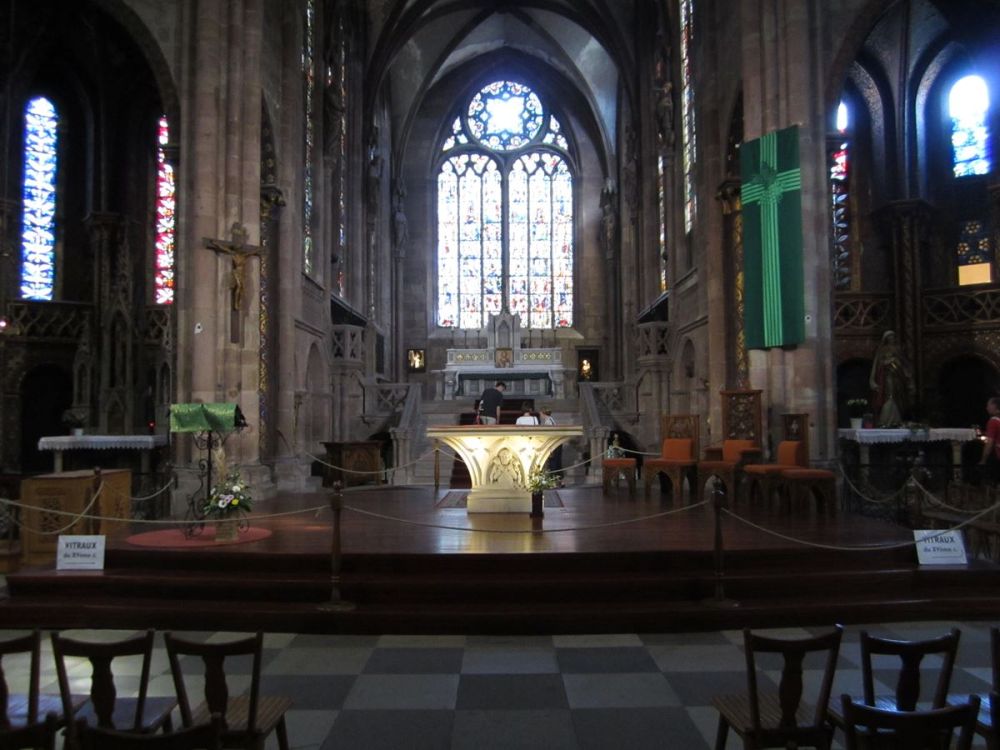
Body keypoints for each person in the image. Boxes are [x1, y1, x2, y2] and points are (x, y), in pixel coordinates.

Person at [869, 330, 913, 427]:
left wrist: (898, 364)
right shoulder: (882, 350)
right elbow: (878, 364)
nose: (891, 338)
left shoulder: (897, 349)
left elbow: (904, 363)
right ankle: (885, 420)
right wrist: (888, 361)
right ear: (886, 339)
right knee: (888, 395)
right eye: (890, 337)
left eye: (893, 337)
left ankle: (897, 419)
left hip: (897, 376)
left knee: (897, 395)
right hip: (886, 376)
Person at [980, 396, 1000, 484]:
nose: (986, 408)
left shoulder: (993, 422)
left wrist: (983, 460)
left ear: (994, 406)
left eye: (988, 405)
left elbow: (989, 443)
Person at [540, 406, 563, 480]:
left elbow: (550, 434)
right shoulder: (550, 419)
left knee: (553, 463)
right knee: (556, 463)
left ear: (543, 413)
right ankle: (558, 480)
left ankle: (554, 480)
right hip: (556, 444)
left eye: (541, 413)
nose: (540, 415)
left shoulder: (548, 422)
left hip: (554, 444)